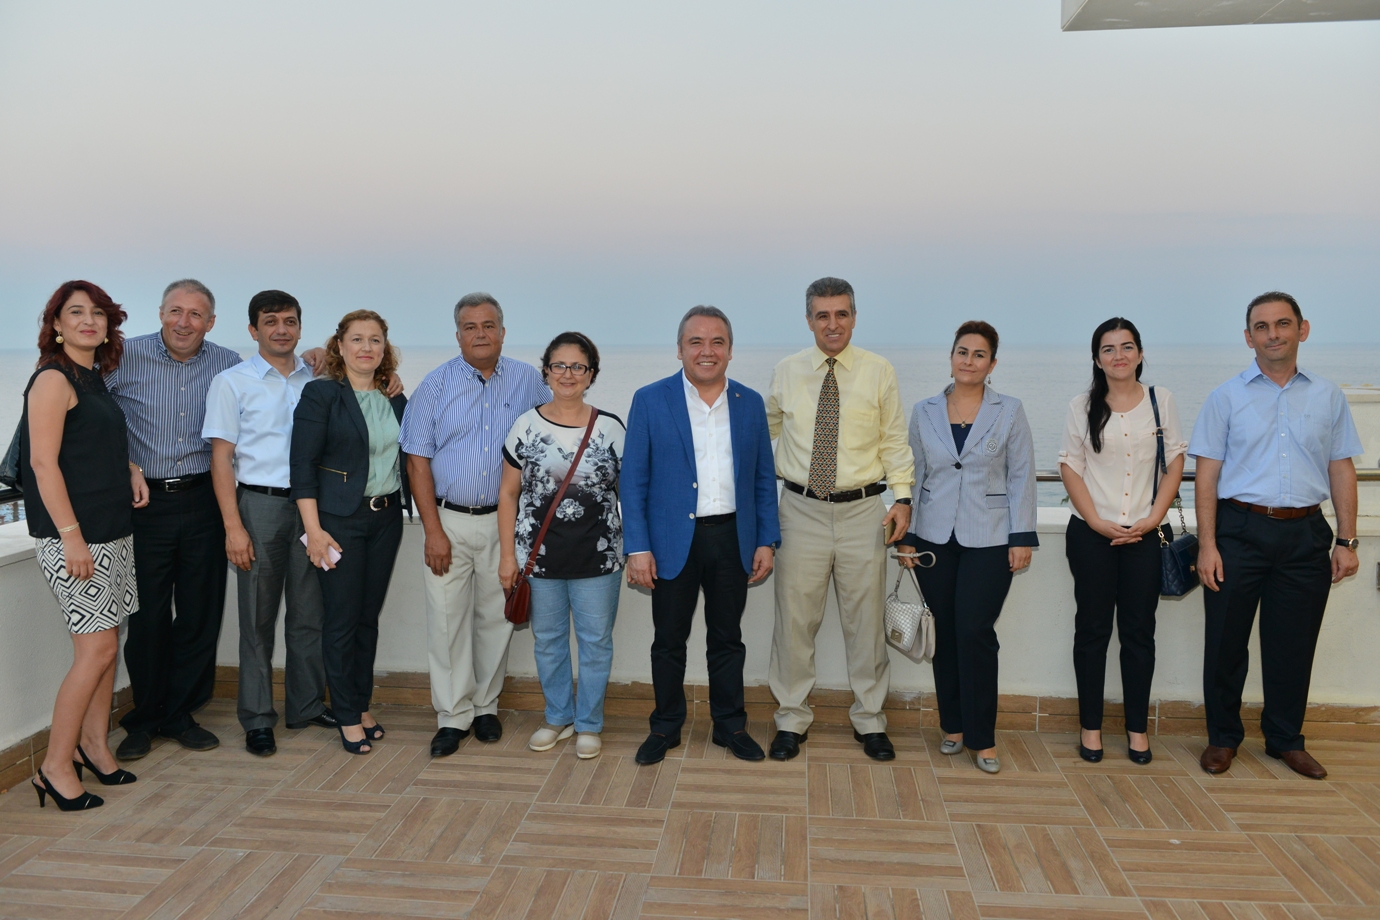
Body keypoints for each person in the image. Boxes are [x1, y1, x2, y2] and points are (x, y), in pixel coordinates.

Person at [1190, 292, 1361, 780]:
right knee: (1225, 643)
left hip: (1305, 534)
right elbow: (1206, 476)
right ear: (1249, 338)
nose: (1273, 334)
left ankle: (1285, 740)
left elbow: (1341, 468)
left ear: (1302, 329)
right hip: (1238, 531)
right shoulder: (1225, 397)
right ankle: (1223, 738)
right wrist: (1207, 545)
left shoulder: (1328, 396)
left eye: (1283, 324)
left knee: (1293, 644)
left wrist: (1346, 541)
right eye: (1262, 327)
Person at [623, 307, 781, 765]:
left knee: (727, 638)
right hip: (671, 540)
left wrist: (766, 539)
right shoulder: (650, 400)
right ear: (679, 349)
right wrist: (638, 547)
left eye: (717, 342)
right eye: (696, 341)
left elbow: (762, 477)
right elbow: (633, 481)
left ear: (730, 350)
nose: (706, 351)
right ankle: (665, 727)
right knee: (668, 640)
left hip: (732, 537)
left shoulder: (749, 402)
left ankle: (730, 726)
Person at [766, 277, 914, 762]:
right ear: (809, 320)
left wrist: (903, 498)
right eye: (823, 315)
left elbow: (894, 440)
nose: (833, 324)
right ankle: (791, 718)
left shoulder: (879, 371)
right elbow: (761, 433)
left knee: (865, 623)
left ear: (854, 316)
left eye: (842, 314)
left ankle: (870, 720)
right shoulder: (787, 371)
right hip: (800, 511)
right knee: (794, 622)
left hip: (863, 512)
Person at [400, 293, 551, 757]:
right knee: (446, 622)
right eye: (470, 327)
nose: (480, 334)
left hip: (506, 525)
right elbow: (417, 461)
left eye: (488, 325)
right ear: (458, 334)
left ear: (502, 332)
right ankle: (452, 716)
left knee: (496, 618)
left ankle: (485, 707)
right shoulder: (435, 385)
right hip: (448, 521)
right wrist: (433, 531)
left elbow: (551, 433)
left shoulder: (529, 381)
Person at [108, 280, 243, 760]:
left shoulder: (229, 363)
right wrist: (122, 464)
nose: (184, 322)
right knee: (146, 618)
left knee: (200, 614)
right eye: (175, 311)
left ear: (211, 322)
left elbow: (277, 382)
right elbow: (82, 405)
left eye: (195, 314)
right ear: (161, 313)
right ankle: (145, 717)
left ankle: (181, 713)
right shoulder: (123, 357)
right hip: (144, 505)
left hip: (205, 500)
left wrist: (317, 357)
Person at [22, 281, 145, 810]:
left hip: (111, 530)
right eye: (75, 312)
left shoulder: (92, 378)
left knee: (106, 646)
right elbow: (42, 463)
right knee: (96, 650)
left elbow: (88, 445)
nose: (88, 320)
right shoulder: (52, 379)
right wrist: (72, 539)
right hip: (76, 539)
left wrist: (130, 466)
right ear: (56, 325)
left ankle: (94, 746)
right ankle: (54, 766)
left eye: (98, 312)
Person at [898, 321, 1036, 774]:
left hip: (991, 539)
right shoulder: (924, 411)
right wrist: (907, 537)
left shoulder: (1009, 410)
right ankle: (952, 726)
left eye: (979, 354)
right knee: (945, 634)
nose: (969, 361)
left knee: (975, 632)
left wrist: (1022, 537)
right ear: (951, 356)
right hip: (933, 539)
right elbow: (913, 475)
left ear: (992, 364)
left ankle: (983, 737)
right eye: (962, 351)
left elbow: (1022, 475)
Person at [203, 290, 335, 758]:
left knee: (309, 615)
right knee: (257, 619)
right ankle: (258, 719)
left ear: (300, 326)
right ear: (253, 329)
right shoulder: (232, 382)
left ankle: (306, 706)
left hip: (312, 510)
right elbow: (221, 459)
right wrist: (233, 527)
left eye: (290, 321)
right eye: (271, 321)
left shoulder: (318, 377)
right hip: (259, 506)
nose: (281, 329)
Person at [1058, 318, 1184, 766]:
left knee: (1139, 634)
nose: (1119, 356)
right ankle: (1090, 728)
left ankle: (1137, 730)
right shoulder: (1081, 406)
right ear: (1097, 359)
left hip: (1144, 536)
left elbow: (1174, 463)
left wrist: (1152, 519)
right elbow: (1070, 467)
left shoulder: (1160, 400)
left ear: (1140, 353)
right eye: (1108, 349)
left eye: (1127, 347)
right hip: (1092, 535)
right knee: (1092, 632)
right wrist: (1095, 521)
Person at [498, 332, 625, 761]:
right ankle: (557, 717)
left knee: (595, 643)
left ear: (591, 374)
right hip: (538, 559)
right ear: (546, 371)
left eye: (578, 366)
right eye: (559, 365)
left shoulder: (610, 428)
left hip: (599, 558)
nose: (567, 374)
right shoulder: (525, 426)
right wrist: (507, 557)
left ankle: (588, 723)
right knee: (548, 641)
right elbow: (508, 495)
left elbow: (629, 493)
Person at [291, 310, 409, 755]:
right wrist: (314, 530)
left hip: (386, 519)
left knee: (366, 618)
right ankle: (344, 714)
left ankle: (359, 704)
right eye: (357, 339)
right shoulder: (321, 394)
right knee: (341, 620)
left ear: (384, 349)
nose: (366, 347)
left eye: (375, 340)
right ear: (339, 346)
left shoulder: (394, 397)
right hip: (338, 522)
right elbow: (302, 466)